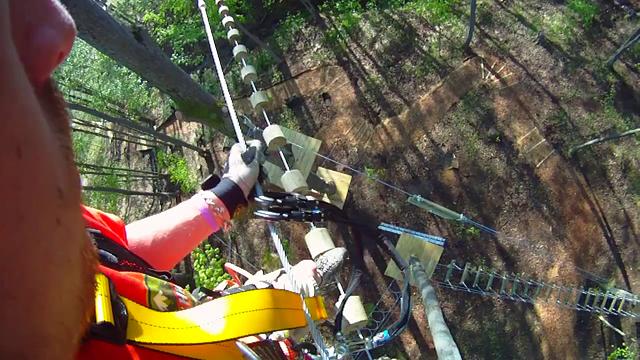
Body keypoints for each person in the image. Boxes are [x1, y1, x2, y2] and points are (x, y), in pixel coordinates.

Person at [1, 1, 344, 358]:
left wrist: (226, 194)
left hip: (211, 325)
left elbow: (121, 252)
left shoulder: (38, 216)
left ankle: (262, 306)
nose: (61, 24)